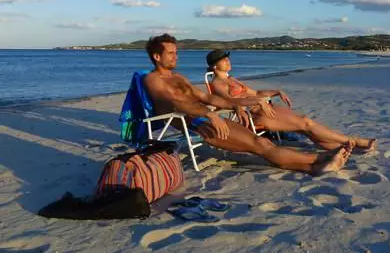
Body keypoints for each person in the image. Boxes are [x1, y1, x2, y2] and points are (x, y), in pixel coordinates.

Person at [142, 34, 353, 175]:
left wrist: (231, 105)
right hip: (196, 123)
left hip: (204, 118)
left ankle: (317, 165)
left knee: (261, 145)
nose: (176, 56)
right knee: (261, 146)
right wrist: (211, 115)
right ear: (157, 56)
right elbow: (176, 103)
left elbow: (207, 98)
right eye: (171, 53)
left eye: (176, 52)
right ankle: (319, 160)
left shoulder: (179, 78)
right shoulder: (153, 80)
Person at [206, 49, 376, 153]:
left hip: (264, 108)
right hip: (255, 115)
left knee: (305, 128)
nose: (228, 61)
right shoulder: (218, 83)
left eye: (228, 59)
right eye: (224, 60)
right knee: (305, 123)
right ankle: (352, 141)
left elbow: (257, 92)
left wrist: (276, 91)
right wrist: (257, 101)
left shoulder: (233, 80)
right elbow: (229, 101)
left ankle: (343, 148)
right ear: (215, 66)